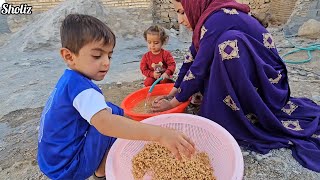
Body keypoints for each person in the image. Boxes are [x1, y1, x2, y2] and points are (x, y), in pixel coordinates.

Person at [152, 0, 320, 172]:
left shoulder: (215, 21)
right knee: (217, 49)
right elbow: (191, 59)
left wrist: (173, 104)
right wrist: (172, 94)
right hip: (255, 77)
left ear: (194, 5)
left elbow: (198, 68)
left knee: (228, 42)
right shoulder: (207, 21)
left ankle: (244, 109)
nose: (180, 20)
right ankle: (228, 99)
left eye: (181, 12)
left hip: (270, 82)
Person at [37, 14, 195, 180]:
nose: (106, 62)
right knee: (111, 119)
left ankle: (100, 170)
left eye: (109, 56)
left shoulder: (68, 80)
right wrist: (160, 134)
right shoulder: (82, 89)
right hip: (69, 167)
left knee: (110, 109)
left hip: (51, 161)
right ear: (69, 56)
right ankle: (102, 173)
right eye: (97, 56)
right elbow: (106, 124)